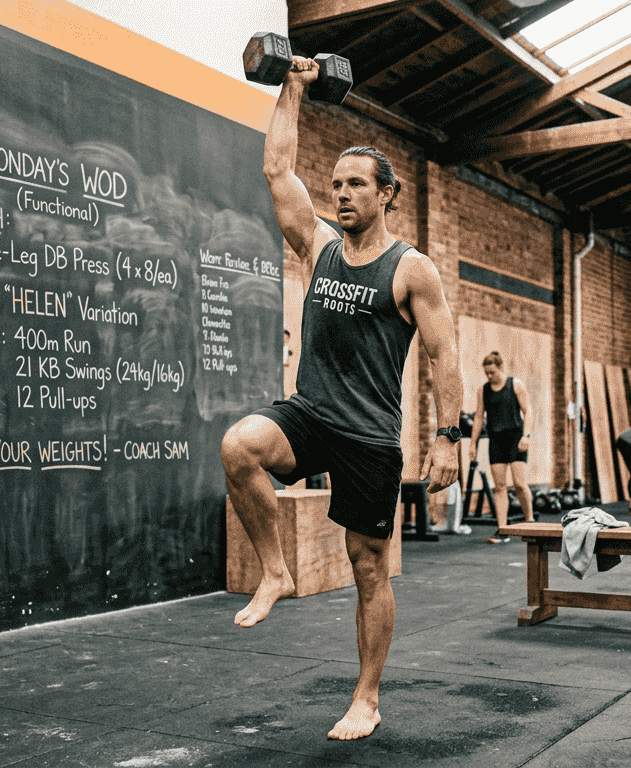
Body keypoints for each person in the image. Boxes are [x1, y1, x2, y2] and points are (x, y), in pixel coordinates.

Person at [221, 54, 462, 742]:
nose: (342, 194)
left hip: (369, 436)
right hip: (311, 413)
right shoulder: (319, 248)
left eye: (357, 184)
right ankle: (275, 572)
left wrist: (449, 436)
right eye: (336, 184)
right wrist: (292, 87)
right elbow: (278, 170)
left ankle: (366, 697)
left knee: (368, 567)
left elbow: (444, 353)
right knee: (239, 446)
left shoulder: (411, 269)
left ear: (387, 195)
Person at [467, 351, 532, 543]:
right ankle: (502, 529)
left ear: (501, 367)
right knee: (499, 486)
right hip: (496, 439)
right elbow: (479, 417)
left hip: (515, 437)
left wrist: (526, 436)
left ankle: (530, 521)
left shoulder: (515, 384)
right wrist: (473, 444)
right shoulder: (483, 390)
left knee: (519, 484)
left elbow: (528, 411)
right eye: (486, 373)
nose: (489, 376)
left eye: (492, 372)